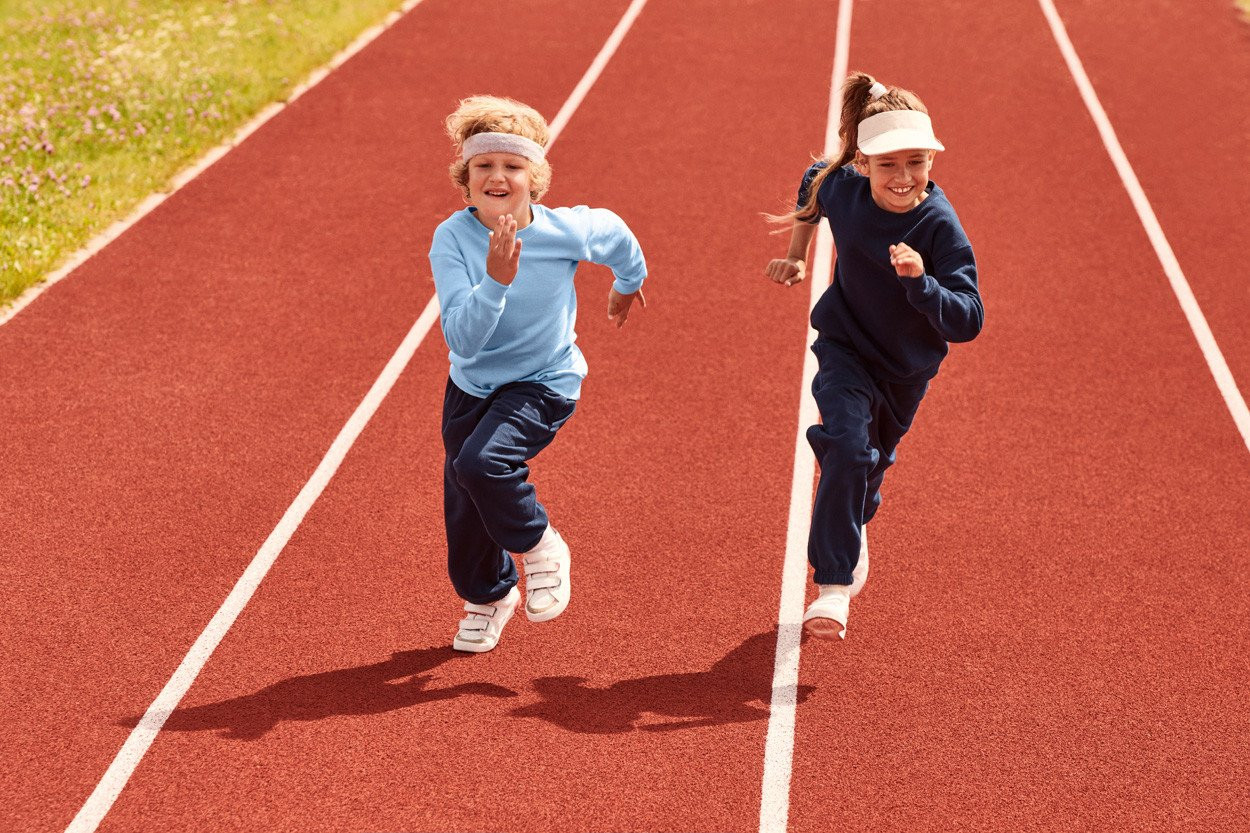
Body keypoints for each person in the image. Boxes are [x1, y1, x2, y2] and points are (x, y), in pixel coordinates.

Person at [764, 72, 983, 639]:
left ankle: (854, 520)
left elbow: (969, 320)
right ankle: (833, 587)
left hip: (904, 370)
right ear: (862, 164)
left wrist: (921, 283)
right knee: (844, 444)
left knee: (867, 464)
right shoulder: (842, 186)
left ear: (933, 159)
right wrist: (796, 254)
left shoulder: (939, 226)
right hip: (844, 347)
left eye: (916, 161)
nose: (904, 177)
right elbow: (815, 182)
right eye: (887, 164)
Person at [429, 95, 648, 653]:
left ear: (535, 178)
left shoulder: (566, 232)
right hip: (473, 384)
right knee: (465, 493)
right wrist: (497, 280)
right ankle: (488, 595)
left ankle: (540, 545)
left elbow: (618, 237)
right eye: (484, 166)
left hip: (544, 380)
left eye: (512, 166)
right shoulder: (452, 239)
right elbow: (462, 337)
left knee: (485, 463)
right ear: (466, 177)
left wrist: (627, 284)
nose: (498, 177)